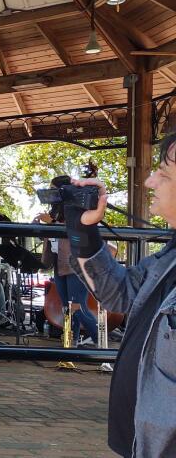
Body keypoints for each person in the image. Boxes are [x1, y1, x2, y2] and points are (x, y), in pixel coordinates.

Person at [66, 131, 176, 457]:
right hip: (143, 440)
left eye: (164, 174)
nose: (150, 180)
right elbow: (120, 295)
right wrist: (83, 229)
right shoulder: (169, 257)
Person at [38, 175, 98, 346]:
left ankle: (101, 345)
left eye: (53, 189)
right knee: (68, 308)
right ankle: (70, 346)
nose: (50, 193)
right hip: (59, 262)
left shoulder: (78, 206)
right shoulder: (55, 210)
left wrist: (52, 222)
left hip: (77, 263)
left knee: (77, 307)